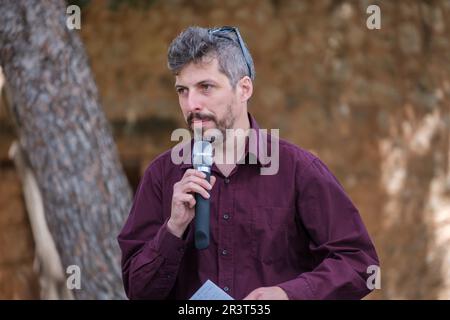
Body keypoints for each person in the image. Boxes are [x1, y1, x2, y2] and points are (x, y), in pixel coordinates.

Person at [117, 26, 379, 300]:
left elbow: (360, 264)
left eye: (205, 87)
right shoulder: (162, 175)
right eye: (183, 90)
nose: (191, 103)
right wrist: (174, 228)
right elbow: (138, 291)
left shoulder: (298, 170)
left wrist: (289, 294)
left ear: (244, 88)